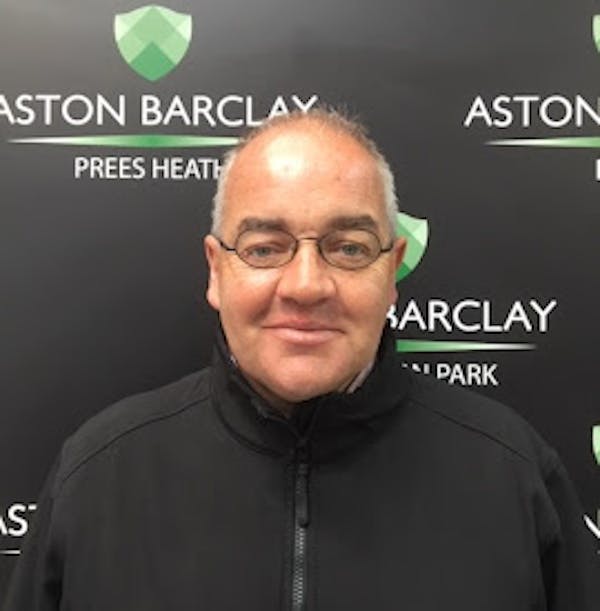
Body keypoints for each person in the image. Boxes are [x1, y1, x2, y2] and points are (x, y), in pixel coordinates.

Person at [3, 109, 598, 611]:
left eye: (348, 248)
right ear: (216, 270)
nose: (307, 285)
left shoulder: (513, 479)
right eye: (265, 248)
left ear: (392, 272)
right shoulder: (98, 477)